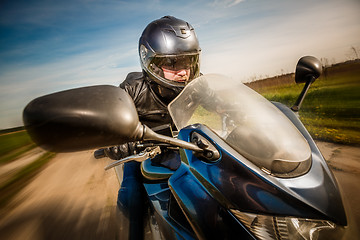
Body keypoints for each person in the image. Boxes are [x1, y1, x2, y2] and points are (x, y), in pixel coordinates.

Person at [108, 16, 201, 239]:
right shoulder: (131, 90)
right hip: (141, 152)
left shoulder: (197, 85)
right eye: (172, 63)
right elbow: (112, 122)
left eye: (188, 61)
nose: (184, 71)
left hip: (183, 146)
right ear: (150, 62)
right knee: (132, 195)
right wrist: (116, 142)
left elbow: (224, 105)